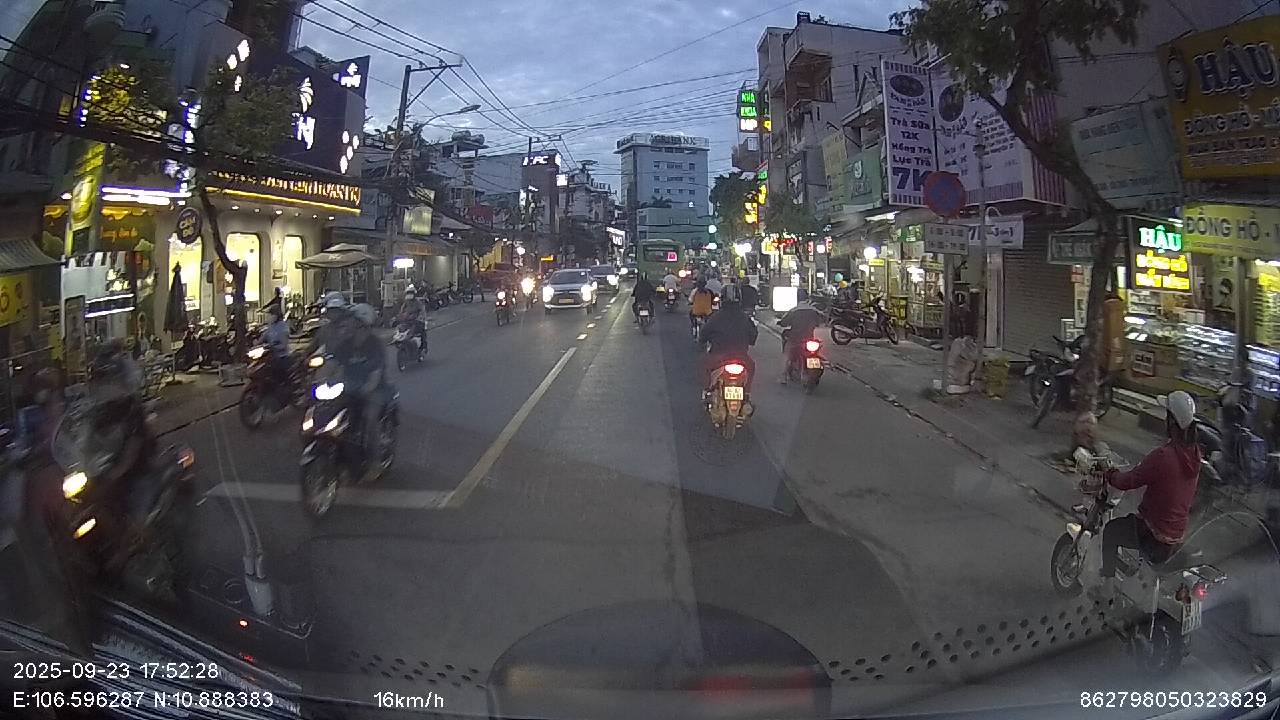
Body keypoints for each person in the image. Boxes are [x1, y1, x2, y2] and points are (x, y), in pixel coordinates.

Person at [1097, 391, 1201, 597]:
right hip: (1176, 535)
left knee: (1110, 531)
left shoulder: (1164, 456)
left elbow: (1127, 481)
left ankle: (1107, 589)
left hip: (1153, 535)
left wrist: (1110, 474)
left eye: (1166, 415)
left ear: (1171, 421)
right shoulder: (1194, 454)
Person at [332, 303, 390, 480]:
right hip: (349, 389)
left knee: (370, 419)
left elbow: (376, 373)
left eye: (354, 323)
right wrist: (318, 381)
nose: (350, 326)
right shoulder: (345, 344)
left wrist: (368, 388)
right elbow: (332, 365)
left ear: (363, 325)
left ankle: (375, 463)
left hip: (375, 391)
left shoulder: (375, 345)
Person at [699, 284, 758, 392]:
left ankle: (707, 391)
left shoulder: (715, 317)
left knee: (704, 365)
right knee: (751, 367)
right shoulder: (745, 318)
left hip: (718, 357)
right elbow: (753, 337)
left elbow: (703, 335)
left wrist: (704, 340)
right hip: (742, 358)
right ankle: (747, 392)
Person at [778, 289, 825, 383]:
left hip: (795, 338)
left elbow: (784, 322)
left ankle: (783, 376)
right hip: (809, 338)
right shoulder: (814, 310)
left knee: (787, 355)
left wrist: (780, 322)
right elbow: (821, 320)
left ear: (797, 298)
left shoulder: (794, 310)